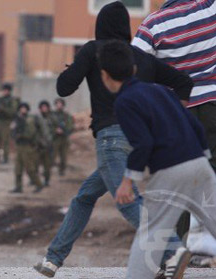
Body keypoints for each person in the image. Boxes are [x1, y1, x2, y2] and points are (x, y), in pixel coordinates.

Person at [34, 2, 193, 278]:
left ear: (101, 25)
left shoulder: (93, 50)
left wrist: (75, 68)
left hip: (111, 138)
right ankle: (52, 259)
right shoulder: (139, 57)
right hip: (140, 139)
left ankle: (172, 249)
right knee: (84, 197)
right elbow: (183, 82)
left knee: (127, 201)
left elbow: (63, 87)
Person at [99, 39, 216, 279]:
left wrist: (127, 180)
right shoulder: (160, 90)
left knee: (151, 233)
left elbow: (144, 144)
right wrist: (203, 157)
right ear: (133, 69)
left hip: (169, 171)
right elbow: (193, 123)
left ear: (105, 76)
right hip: (199, 164)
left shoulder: (125, 102)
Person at [132, 0, 216, 252]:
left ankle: (173, 252)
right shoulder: (210, 9)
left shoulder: (152, 25)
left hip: (176, 115)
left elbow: (133, 69)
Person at [11, 103, 44, 193]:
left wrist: (20, 135)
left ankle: (39, 184)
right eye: (21, 108)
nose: (23, 110)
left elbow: (30, 133)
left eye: (24, 108)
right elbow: (12, 131)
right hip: (19, 146)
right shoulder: (17, 119)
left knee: (30, 168)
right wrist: (15, 134)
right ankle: (18, 187)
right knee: (18, 168)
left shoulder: (30, 119)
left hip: (27, 146)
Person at [0, 83, 19, 164]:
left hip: (7, 122)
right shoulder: (0, 99)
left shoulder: (12, 100)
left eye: (6, 90)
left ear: (9, 91)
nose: (5, 92)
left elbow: (12, 112)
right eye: (4, 90)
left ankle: (5, 158)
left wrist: (2, 108)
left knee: (5, 141)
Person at [36, 100, 56, 186]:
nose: (44, 109)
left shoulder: (52, 118)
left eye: (45, 107)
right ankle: (35, 180)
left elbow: (56, 129)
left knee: (47, 165)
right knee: (35, 164)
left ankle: (46, 180)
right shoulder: (37, 118)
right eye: (42, 107)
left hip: (48, 145)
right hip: (38, 145)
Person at [52, 98, 74, 176]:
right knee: (52, 155)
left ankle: (62, 170)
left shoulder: (66, 115)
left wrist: (64, 131)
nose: (59, 105)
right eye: (57, 104)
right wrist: (55, 130)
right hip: (55, 138)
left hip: (64, 138)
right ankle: (48, 170)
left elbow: (71, 126)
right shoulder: (52, 115)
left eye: (60, 104)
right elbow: (49, 125)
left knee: (63, 156)